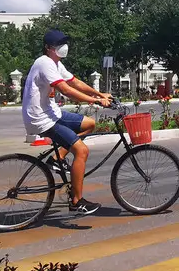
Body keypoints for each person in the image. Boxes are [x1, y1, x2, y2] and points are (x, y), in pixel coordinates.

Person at [21, 29, 112, 216]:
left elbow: (74, 82)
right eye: (59, 45)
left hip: (52, 113)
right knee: (81, 151)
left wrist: (99, 94)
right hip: (41, 119)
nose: (64, 47)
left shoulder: (56, 64)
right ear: (48, 48)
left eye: (64, 43)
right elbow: (66, 90)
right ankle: (77, 201)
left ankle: (56, 158)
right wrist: (93, 101)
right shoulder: (44, 63)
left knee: (89, 124)